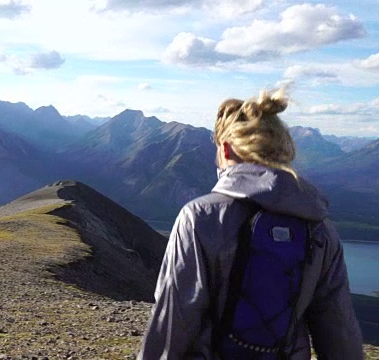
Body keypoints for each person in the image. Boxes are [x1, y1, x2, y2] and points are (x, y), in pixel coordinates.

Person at [137, 89, 364, 359]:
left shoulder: (200, 217)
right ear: (281, 152)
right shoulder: (319, 226)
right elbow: (340, 334)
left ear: (225, 148)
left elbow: (173, 321)